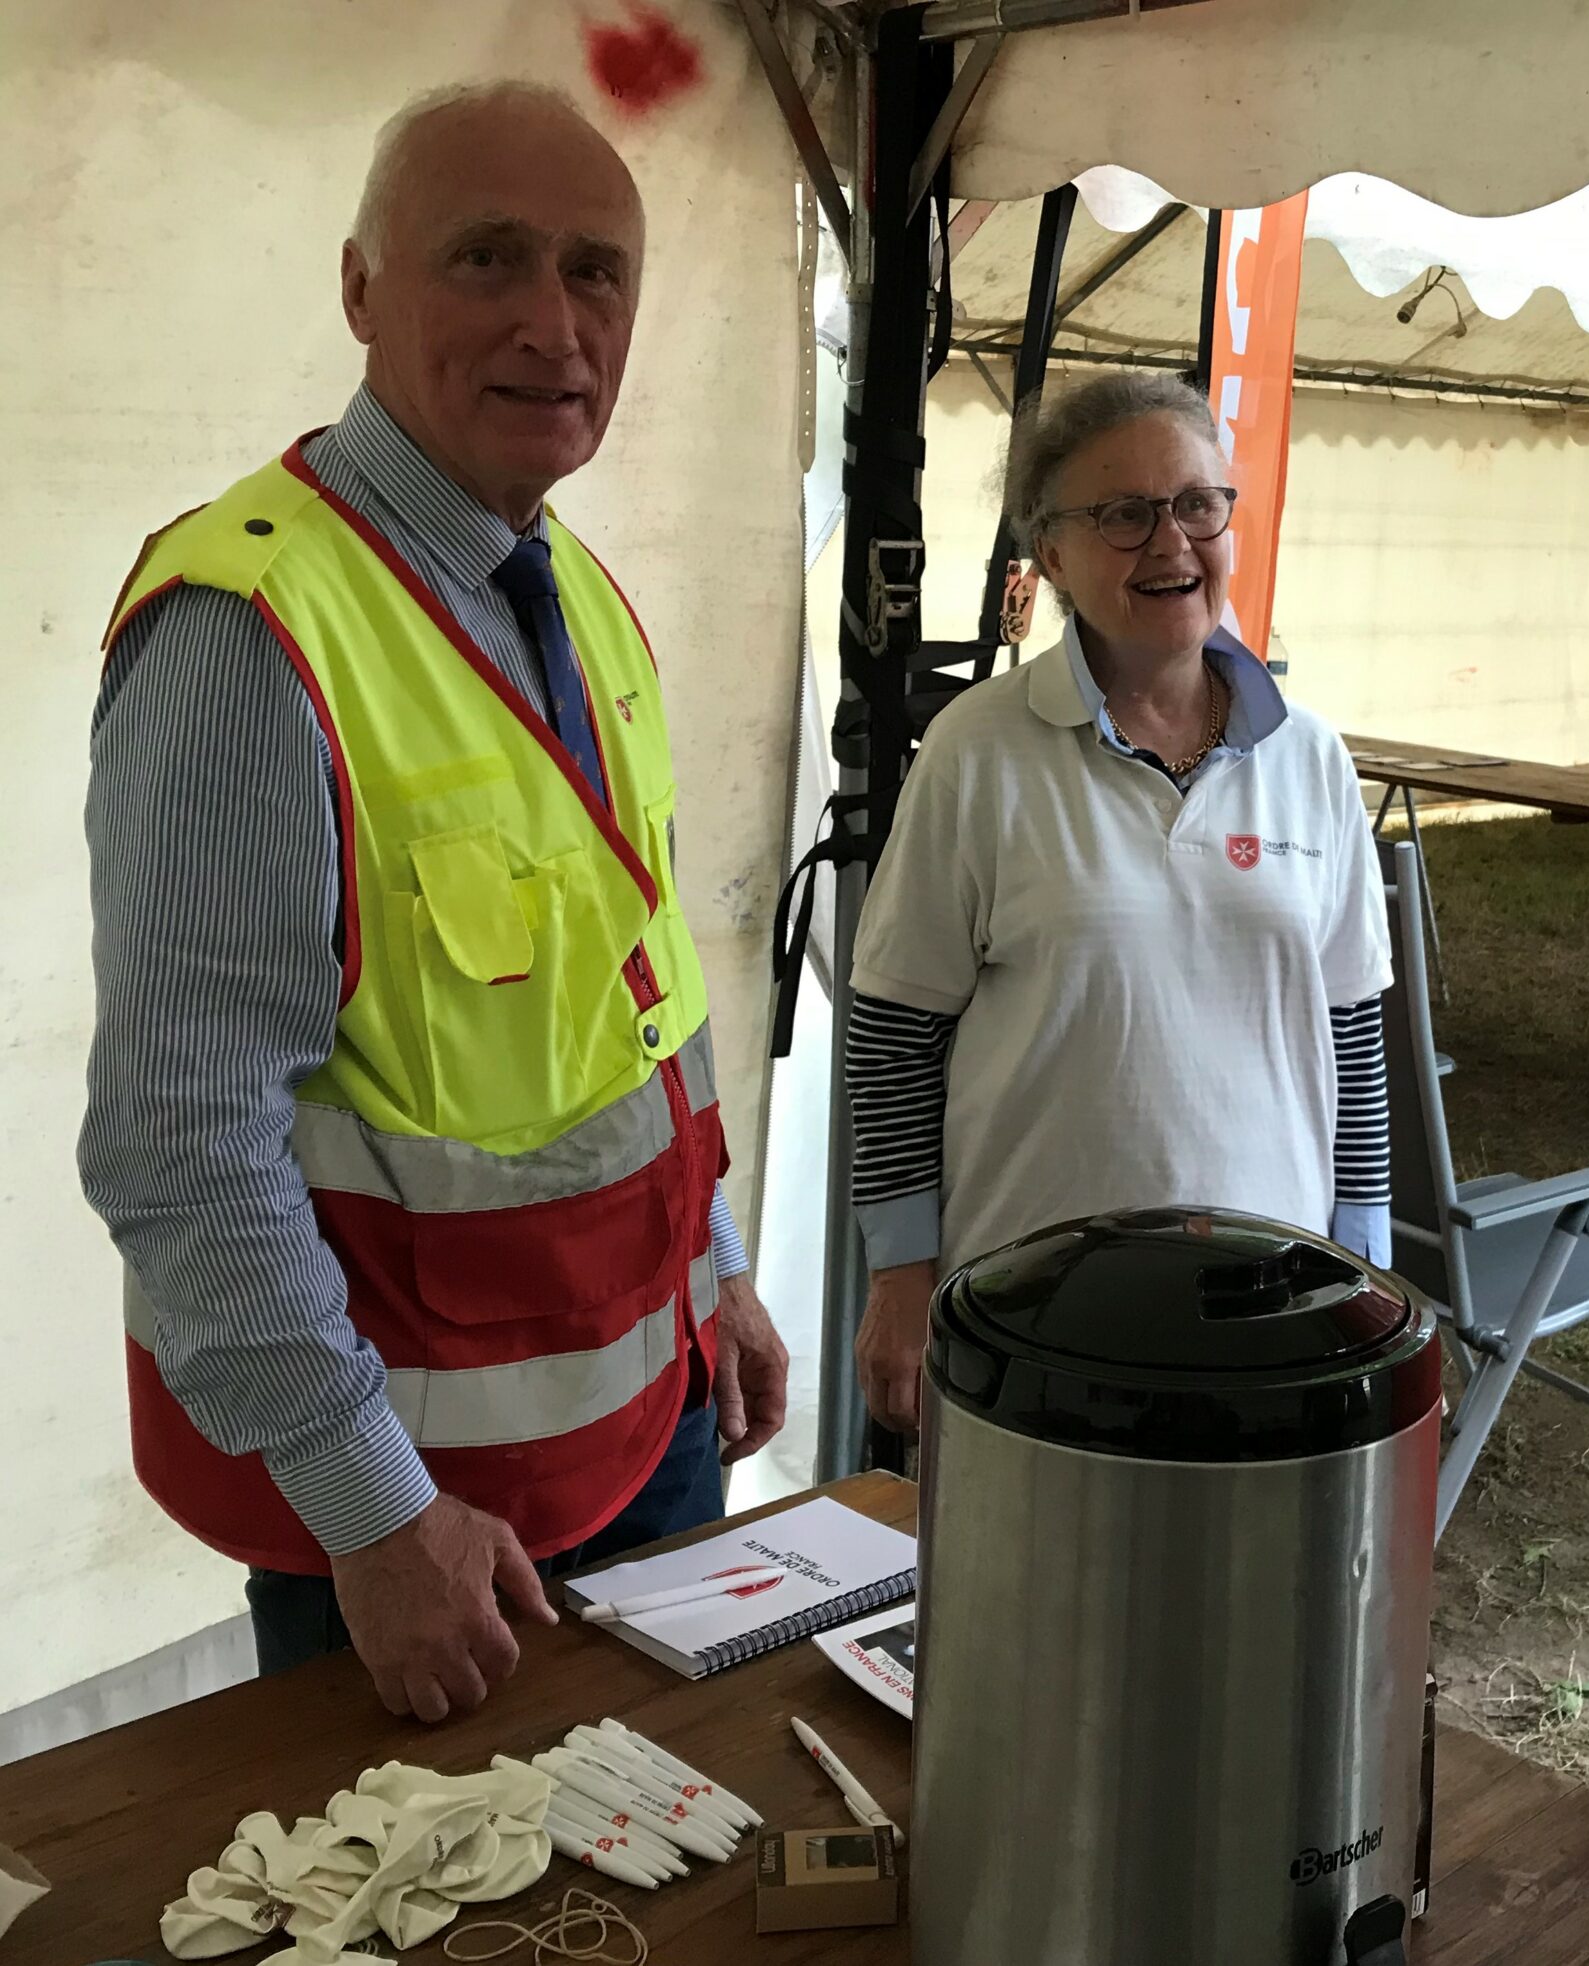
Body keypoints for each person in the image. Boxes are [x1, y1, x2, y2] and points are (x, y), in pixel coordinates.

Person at [79, 81, 789, 1722]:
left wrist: (717, 1272)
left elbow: (639, 996)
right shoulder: (250, 629)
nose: (555, 323)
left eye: (597, 271)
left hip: (651, 1429)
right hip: (433, 1531)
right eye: (488, 258)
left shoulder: (579, 594)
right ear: (360, 288)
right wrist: (374, 1513)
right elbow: (184, 1141)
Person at [847, 371, 1393, 1431]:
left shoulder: (1310, 757)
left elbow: (1352, 1025)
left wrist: (1361, 1257)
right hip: (1031, 1306)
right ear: (1050, 553)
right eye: (1124, 515)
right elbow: (895, 1028)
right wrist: (900, 1274)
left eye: (1197, 504)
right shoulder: (978, 749)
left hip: (1270, 1298)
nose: (1171, 542)